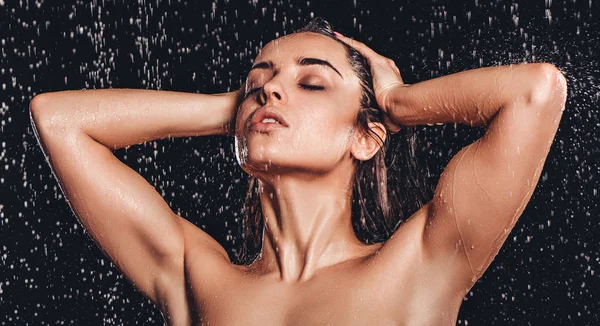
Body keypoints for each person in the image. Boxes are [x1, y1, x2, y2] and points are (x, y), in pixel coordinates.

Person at [29, 18, 567, 325]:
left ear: (364, 137)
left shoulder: (421, 261)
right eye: (258, 80)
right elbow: (58, 120)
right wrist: (238, 111)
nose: (272, 87)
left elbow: (535, 91)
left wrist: (396, 102)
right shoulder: (195, 275)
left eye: (312, 84)